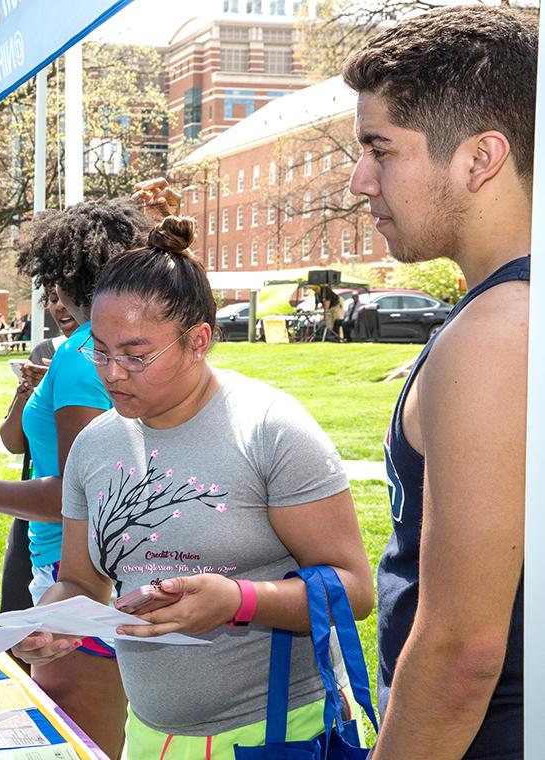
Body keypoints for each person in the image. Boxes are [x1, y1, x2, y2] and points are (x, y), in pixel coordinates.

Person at [11, 209, 374, 759]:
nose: (112, 372)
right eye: (100, 350)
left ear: (198, 340)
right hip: (149, 735)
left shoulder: (270, 430)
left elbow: (355, 591)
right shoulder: (94, 445)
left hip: (277, 735)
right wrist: (50, 621)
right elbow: (84, 582)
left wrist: (238, 601)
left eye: (136, 355)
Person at [344, 6, 533, 757]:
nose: (359, 180)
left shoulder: (499, 332)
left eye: (380, 149)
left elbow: (461, 655)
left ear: (480, 158)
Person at [0, 199, 153, 758]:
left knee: (78, 742)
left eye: (54, 282)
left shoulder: (83, 355)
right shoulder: (94, 352)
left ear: (71, 275)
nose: (51, 298)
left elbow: (75, 496)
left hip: (78, 570)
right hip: (86, 565)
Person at [0, 287, 80, 616]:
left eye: (65, 295)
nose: (60, 306)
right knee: (17, 613)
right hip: (34, 508)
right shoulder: (45, 351)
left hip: (71, 523)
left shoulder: (94, 359)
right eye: (52, 298)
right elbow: (13, 442)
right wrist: (28, 394)